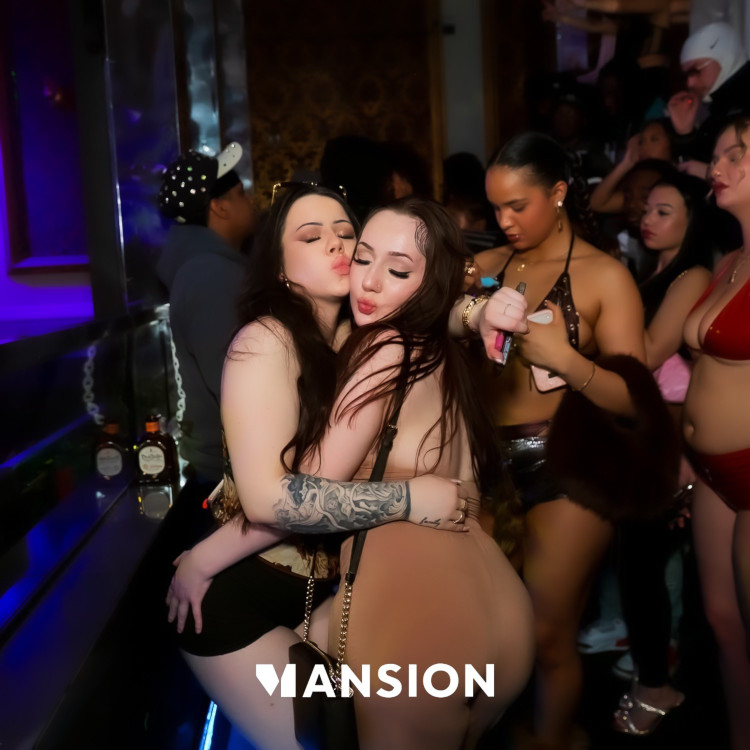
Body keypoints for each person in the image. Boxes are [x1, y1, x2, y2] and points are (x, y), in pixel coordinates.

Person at [165, 184, 530, 749]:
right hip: (250, 588)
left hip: (333, 588)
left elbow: (437, 305)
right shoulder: (265, 342)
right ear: (280, 267)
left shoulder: (366, 334)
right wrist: (199, 560)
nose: (338, 247)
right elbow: (272, 500)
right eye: (312, 237)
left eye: (347, 237)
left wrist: (481, 309)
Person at [318, 198, 535, 750]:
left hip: (420, 621)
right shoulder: (434, 345)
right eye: (362, 259)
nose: (369, 282)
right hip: (500, 608)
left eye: (397, 271)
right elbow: (457, 311)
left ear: (431, 284)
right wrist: (478, 311)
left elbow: (305, 489)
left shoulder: (383, 346)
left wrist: (206, 557)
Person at [472, 132, 649, 749]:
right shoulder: (484, 270)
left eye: (518, 205)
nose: (504, 220)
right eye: (495, 207)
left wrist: (568, 361)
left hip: (567, 465)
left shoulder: (605, 276)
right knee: (486, 630)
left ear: (557, 193)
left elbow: (635, 399)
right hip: (485, 466)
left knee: (549, 635)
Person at [613, 173, 713, 735]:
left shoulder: (692, 273)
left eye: (664, 211)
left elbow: (648, 353)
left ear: (692, 220)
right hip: (648, 435)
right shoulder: (653, 272)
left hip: (672, 438)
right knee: (641, 566)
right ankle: (655, 680)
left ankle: (660, 687)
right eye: (647, 209)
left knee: (647, 567)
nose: (648, 219)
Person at [682, 116, 750, 750]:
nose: (717, 166)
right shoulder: (730, 260)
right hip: (708, 473)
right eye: (717, 154)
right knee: (723, 624)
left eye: (737, 154)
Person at [155, 142, 255, 551]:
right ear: (220, 206)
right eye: (241, 193)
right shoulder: (211, 275)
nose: (251, 201)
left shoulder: (211, 267)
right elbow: (238, 385)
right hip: (226, 479)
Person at [668, 21, 750, 175]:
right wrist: (685, 133)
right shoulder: (719, 109)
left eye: (695, 71)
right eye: (686, 76)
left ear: (724, 56)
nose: (690, 83)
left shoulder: (737, 106)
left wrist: (709, 173)